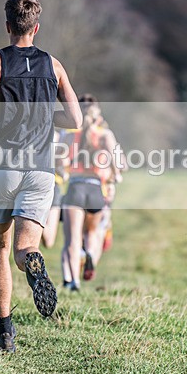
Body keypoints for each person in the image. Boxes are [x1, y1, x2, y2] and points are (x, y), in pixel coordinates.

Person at [0, 0, 82, 353]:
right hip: (40, 170)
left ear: (7, 26)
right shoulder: (54, 65)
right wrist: (46, 116)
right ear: (35, 28)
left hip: (3, 167)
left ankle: (4, 331)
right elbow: (76, 120)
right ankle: (32, 263)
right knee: (24, 247)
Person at [60, 95, 122, 291]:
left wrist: (66, 170)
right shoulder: (104, 135)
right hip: (96, 188)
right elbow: (120, 163)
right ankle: (90, 255)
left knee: (72, 238)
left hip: (75, 187)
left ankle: (73, 282)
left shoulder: (70, 136)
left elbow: (60, 162)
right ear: (97, 116)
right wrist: (115, 175)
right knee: (93, 233)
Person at [41, 129, 67, 249]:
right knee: (49, 240)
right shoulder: (59, 136)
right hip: (53, 184)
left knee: (47, 241)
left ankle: (27, 215)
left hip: (36, 181)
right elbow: (60, 162)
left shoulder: (33, 131)